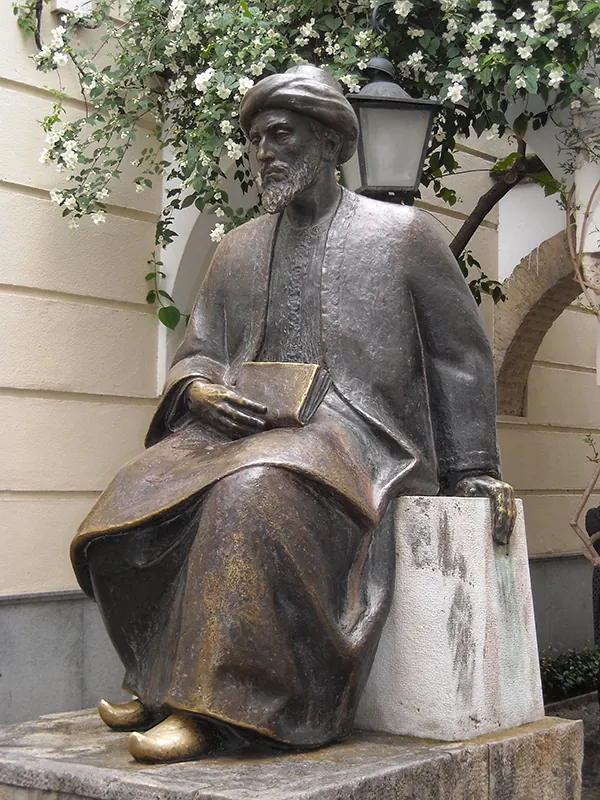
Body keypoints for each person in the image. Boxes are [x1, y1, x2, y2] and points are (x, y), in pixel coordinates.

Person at [70, 65, 516, 764]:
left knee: (250, 495)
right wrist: (196, 392)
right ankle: (157, 677)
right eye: (253, 141)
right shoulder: (237, 247)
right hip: (244, 428)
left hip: (359, 434)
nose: (263, 153)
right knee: (132, 496)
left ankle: (212, 706)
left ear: (329, 139)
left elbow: (460, 355)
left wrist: (474, 469)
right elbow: (200, 349)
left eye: (279, 135)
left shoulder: (403, 235)